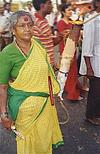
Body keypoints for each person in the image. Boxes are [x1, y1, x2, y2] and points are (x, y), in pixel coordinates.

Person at [0, 11, 64, 154]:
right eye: (22, 26)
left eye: (30, 25)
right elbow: (2, 87)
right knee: (27, 144)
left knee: (43, 140)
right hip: (24, 109)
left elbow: (47, 71)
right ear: (13, 30)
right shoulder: (7, 53)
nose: (27, 29)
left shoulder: (38, 45)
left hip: (45, 105)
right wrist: (3, 115)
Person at [82, 0, 100, 125]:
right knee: (95, 90)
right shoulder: (91, 20)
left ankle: (97, 113)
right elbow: (87, 45)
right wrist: (89, 67)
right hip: (95, 61)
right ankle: (90, 115)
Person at [32, 0, 63, 68]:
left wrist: (61, 37)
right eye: (49, 3)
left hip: (48, 65)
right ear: (42, 6)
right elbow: (34, 48)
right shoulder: (34, 23)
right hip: (41, 67)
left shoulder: (44, 20)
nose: (52, 6)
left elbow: (48, 43)